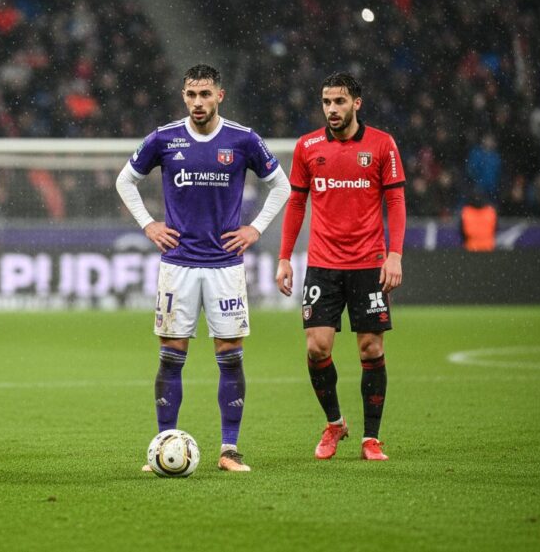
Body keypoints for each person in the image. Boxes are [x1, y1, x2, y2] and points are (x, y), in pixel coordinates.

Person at [116, 64, 291, 472]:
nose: (198, 102)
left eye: (205, 94)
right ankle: (162, 444)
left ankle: (229, 451)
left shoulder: (243, 139)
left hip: (224, 265)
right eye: (191, 95)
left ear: (220, 96)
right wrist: (148, 224)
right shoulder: (164, 137)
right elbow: (125, 181)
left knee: (230, 356)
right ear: (184, 96)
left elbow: (281, 185)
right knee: (171, 355)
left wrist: (254, 229)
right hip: (177, 264)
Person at [275, 72, 406, 461]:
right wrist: (284, 256)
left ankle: (371, 438)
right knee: (317, 348)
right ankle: (335, 423)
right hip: (323, 263)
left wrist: (394, 254)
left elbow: (396, 202)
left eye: (339, 102)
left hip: (369, 263)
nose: (332, 109)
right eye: (327, 102)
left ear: (356, 103)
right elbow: (297, 204)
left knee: (370, 348)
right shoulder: (307, 147)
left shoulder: (382, 145)